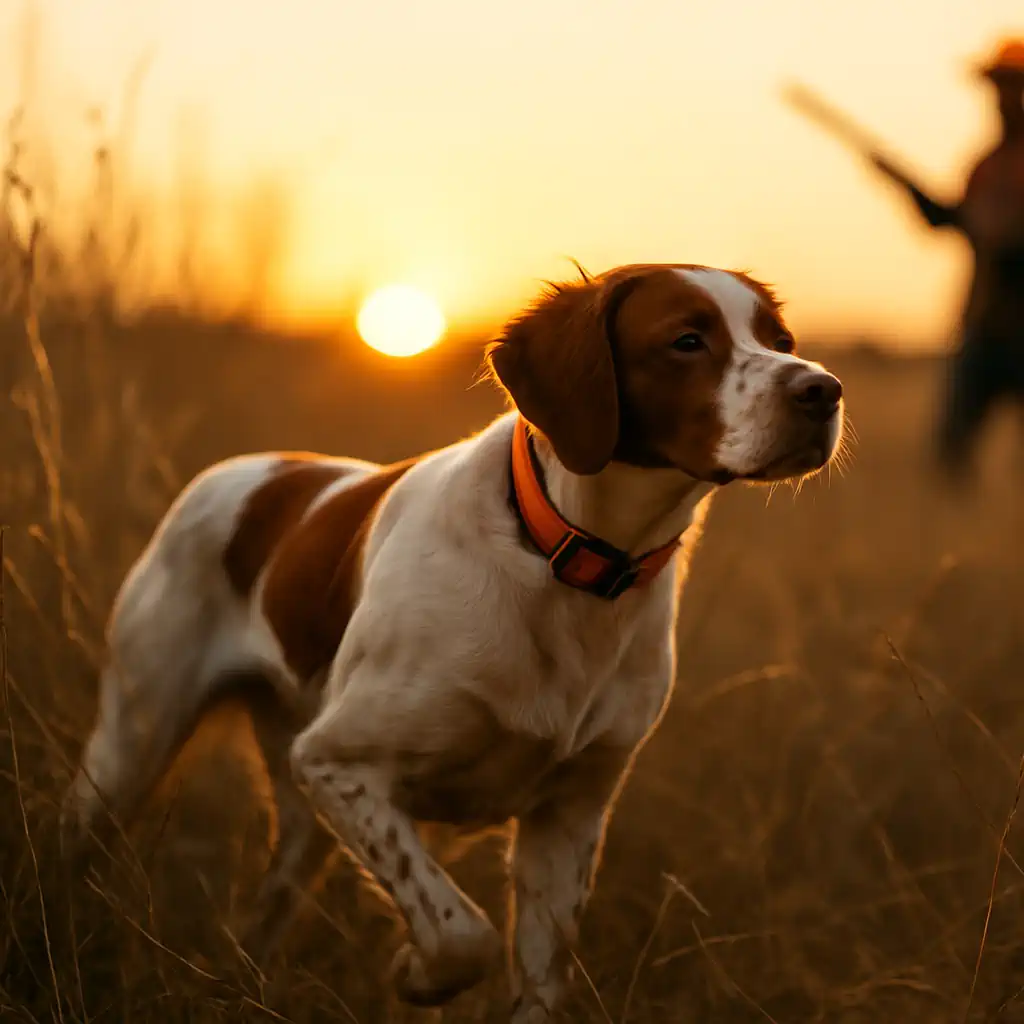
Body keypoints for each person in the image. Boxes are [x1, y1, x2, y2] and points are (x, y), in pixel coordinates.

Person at [872, 40, 1024, 479]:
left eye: (1011, 86)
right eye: (998, 87)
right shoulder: (986, 166)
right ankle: (954, 522)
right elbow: (953, 222)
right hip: (984, 322)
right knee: (951, 453)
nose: (1003, 98)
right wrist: (904, 186)